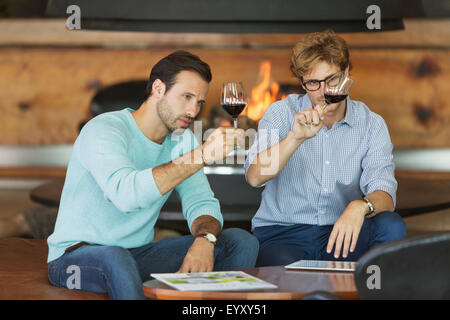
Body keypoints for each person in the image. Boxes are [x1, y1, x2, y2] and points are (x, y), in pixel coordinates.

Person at [46, 50, 259, 299]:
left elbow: (201, 202)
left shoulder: (182, 139)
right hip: (75, 258)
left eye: (199, 102)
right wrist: (201, 155)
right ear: (158, 88)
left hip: (137, 254)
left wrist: (205, 239)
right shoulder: (104, 129)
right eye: (186, 97)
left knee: (240, 241)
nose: (193, 111)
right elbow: (126, 195)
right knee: (116, 258)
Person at [245, 30, 406, 267]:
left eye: (332, 79)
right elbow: (254, 177)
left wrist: (359, 206)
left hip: (343, 234)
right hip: (282, 235)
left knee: (391, 224)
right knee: (288, 277)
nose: (324, 92)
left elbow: (385, 194)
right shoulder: (280, 113)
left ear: (347, 72)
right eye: (313, 83)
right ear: (302, 83)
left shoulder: (372, 123)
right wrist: (295, 138)